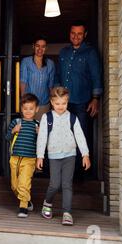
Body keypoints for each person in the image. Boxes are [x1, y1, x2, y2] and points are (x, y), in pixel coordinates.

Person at [36, 87, 91, 226]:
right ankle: (47, 203)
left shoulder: (72, 118)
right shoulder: (47, 117)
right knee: (54, 184)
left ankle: (67, 213)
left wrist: (85, 154)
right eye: (58, 103)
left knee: (67, 184)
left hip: (70, 155)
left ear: (67, 102)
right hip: (54, 156)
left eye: (64, 103)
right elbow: (42, 137)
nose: (61, 107)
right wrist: (40, 156)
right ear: (52, 102)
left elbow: (80, 136)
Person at [55, 20, 102, 178]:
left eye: (79, 34)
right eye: (73, 33)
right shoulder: (63, 52)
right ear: (69, 33)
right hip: (63, 104)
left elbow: (96, 76)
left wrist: (95, 98)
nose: (76, 36)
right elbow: (57, 76)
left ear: (85, 35)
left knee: (79, 137)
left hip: (82, 102)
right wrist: (55, 96)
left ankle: (80, 174)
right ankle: (64, 173)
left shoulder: (90, 52)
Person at [6, 94, 40, 218]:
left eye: (31, 108)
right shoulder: (16, 122)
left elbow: (43, 144)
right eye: (25, 108)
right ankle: (27, 199)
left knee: (23, 184)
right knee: (14, 186)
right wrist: (13, 131)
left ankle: (23, 206)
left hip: (29, 160)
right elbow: (7, 138)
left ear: (36, 109)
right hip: (14, 159)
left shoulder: (37, 125)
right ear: (21, 109)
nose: (28, 111)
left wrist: (40, 134)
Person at [20, 35, 55, 121]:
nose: (40, 49)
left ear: (46, 48)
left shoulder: (50, 64)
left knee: (41, 131)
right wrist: (23, 101)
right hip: (29, 104)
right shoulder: (26, 62)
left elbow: (50, 85)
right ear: (33, 46)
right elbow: (23, 82)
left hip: (44, 104)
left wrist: (53, 103)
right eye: (37, 46)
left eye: (43, 46)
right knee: (29, 130)